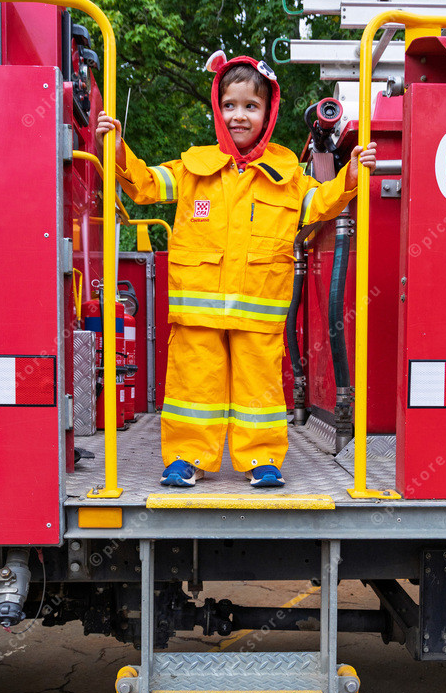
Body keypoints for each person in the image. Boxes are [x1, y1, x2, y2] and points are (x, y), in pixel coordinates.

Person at [96, 51, 376, 488]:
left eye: (250, 106)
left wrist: (350, 179)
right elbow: (146, 186)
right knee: (193, 387)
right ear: (217, 108)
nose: (239, 115)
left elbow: (320, 203)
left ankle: (261, 458)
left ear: (269, 113)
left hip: (258, 312)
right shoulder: (193, 169)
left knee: (259, 389)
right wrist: (118, 152)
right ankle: (185, 456)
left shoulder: (287, 175)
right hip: (199, 313)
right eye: (229, 105)